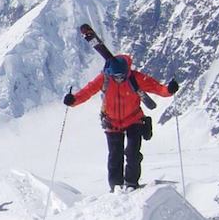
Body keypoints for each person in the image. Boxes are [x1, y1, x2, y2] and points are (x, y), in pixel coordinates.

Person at [64, 54, 178, 192]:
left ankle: (131, 183)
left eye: (122, 76)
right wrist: (73, 100)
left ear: (127, 72)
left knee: (133, 153)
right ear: (110, 74)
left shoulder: (136, 78)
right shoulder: (104, 79)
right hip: (111, 122)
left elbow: (157, 88)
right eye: (116, 76)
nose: (119, 79)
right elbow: (88, 91)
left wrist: (169, 90)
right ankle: (116, 187)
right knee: (114, 156)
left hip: (133, 119)